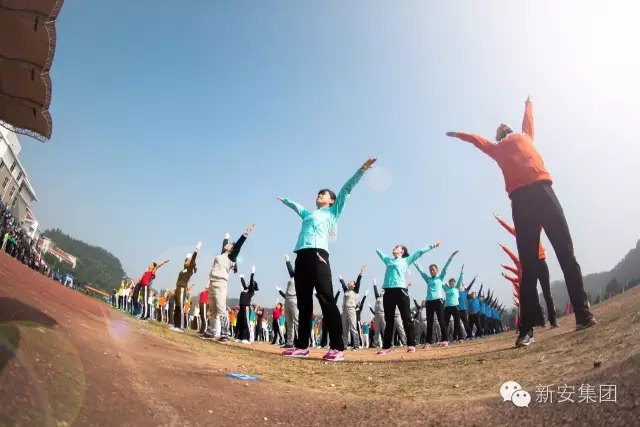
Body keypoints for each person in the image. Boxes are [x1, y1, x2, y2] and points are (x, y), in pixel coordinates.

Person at [446, 96, 596, 347]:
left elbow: (528, 118)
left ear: (512, 129)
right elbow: (477, 140)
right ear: (498, 137)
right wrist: (458, 134)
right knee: (528, 268)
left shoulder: (526, 135)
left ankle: (583, 313)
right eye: (499, 130)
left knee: (566, 253)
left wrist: (529, 102)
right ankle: (526, 330)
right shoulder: (496, 149)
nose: (503, 128)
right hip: (520, 201)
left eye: (505, 126)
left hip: (544, 191)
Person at [278, 158, 377, 361]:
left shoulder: (332, 212)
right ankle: (302, 346)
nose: (319, 195)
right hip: (301, 255)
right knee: (304, 303)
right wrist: (285, 200)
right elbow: (297, 207)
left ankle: (338, 347)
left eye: (323, 194)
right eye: (318, 193)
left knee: (326, 299)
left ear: (331, 200)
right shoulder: (308, 214)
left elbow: (346, 190)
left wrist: (362, 170)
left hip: (318, 255)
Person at [494, 213, 558, 328]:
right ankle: (541, 321)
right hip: (530, 265)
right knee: (534, 295)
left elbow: (541, 219)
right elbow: (509, 230)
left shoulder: (536, 228)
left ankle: (553, 320)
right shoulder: (519, 232)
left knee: (547, 292)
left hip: (541, 262)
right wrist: (499, 220)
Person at [375, 242, 439, 355]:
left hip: (401, 291)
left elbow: (419, 252)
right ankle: (386, 347)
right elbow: (379, 252)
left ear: (402, 251)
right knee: (389, 321)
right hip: (388, 292)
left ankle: (411, 344)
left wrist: (432, 246)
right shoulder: (388, 260)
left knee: (407, 319)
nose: (394, 248)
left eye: (397, 247)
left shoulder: (406, 260)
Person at [202, 225, 254, 343]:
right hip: (212, 282)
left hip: (221, 283)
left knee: (221, 308)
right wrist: (226, 238)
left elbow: (238, 246)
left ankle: (225, 333)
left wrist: (245, 234)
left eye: (230, 244)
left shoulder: (231, 257)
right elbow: (224, 246)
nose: (228, 244)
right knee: (213, 308)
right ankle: (210, 331)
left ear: (231, 249)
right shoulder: (221, 255)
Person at [414, 250, 459, 347]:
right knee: (429, 322)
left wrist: (451, 257)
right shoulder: (428, 279)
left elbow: (445, 268)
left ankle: (444, 340)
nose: (431, 271)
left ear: (437, 270)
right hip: (429, 302)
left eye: (433, 269)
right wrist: (414, 261)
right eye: (430, 270)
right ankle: (428, 342)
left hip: (438, 301)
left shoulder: (440, 278)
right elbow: (421, 271)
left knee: (441, 320)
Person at [170, 242, 201, 332]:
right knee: (177, 306)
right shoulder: (183, 270)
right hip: (178, 288)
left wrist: (196, 250)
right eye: (186, 260)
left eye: (188, 260)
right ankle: (176, 325)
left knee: (180, 306)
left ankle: (181, 326)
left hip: (182, 288)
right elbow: (186, 260)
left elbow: (193, 260)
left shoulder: (189, 270)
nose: (186, 261)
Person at [338, 265, 365, 350]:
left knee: (353, 328)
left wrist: (361, 273)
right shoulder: (346, 291)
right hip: (344, 311)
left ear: (353, 285)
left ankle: (356, 345)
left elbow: (358, 281)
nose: (348, 283)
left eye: (350, 282)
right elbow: (343, 285)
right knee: (345, 329)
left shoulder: (355, 291)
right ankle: (345, 345)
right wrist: (341, 279)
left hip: (351, 310)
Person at [276, 254, 298, 349]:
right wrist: (287, 260)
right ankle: (289, 342)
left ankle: (301, 342)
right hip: (287, 299)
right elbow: (290, 270)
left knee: (297, 321)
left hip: (295, 299)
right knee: (289, 322)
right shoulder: (293, 277)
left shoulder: (302, 277)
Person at [443, 266, 465, 343]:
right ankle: (445, 339)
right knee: (445, 323)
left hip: (455, 307)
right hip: (447, 307)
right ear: (449, 283)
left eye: (453, 282)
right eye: (450, 282)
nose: (452, 283)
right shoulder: (446, 288)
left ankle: (459, 337)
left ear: (455, 283)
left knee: (457, 322)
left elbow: (460, 280)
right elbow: (441, 281)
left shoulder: (456, 288)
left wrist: (462, 272)